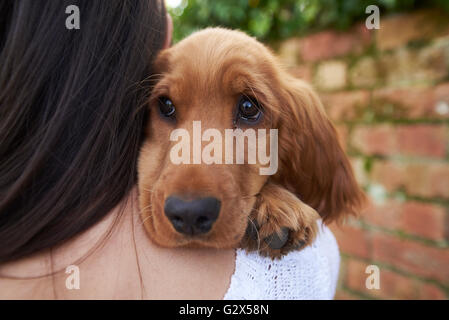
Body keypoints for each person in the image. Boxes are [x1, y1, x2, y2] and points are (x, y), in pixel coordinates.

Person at [0, 0, 340, 299]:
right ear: (164, 34)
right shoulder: (301, 269)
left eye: (248, 110)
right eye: (167, 108)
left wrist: (273, 192)